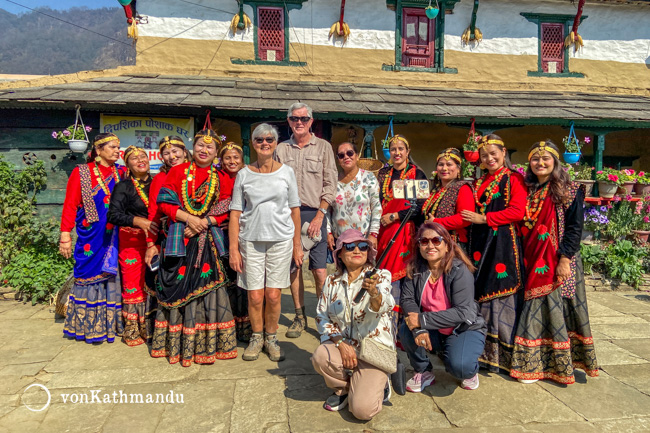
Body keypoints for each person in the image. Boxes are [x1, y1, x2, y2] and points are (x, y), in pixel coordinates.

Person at [510, 141, 599, 384]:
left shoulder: (568, 189)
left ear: (555, 161)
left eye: (546, 159)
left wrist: (565, 259)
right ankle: (540, 363)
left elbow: (574, 228)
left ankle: (536, 367)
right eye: (535, 159)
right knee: (543, 308)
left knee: (549, 309)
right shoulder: (528, 188)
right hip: (532, 257)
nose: (540, 163)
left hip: (557, 258)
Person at [151, 128, 236, 366]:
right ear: (193, 147)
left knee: (209, 288)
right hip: (181, 238)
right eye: (200, 145)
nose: (204, 150)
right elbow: (164, 204)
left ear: (216, 152)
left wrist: (204, 222)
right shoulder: (177, 172)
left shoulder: (221, 177)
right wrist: (189, 219)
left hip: (207, 241)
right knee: (178, 285)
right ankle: (180, 347)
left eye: (210, 147)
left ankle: (208, 346)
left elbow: (227, 210)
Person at [230, 124, 303, 362]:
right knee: (254, 295)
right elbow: (235, 213)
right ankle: (256, 336)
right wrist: (233, 249)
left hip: (280, 239)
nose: (264, 143)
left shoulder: (286, 172)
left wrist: (297, 245)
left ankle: (271, 338)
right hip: (250, 240)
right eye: (259, 139)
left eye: (269, 139)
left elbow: (294, 210)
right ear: (253, 143)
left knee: (273, 295)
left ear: (275, 142)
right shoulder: (244, 174)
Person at [312, 229, 395, 421]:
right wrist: (340, 343)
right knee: (321, 355)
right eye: (350, 246)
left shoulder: (380, 275)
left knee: (362, 411)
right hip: (345, 347)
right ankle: (344, 388)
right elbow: (321, 317)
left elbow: (384, 305)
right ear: (340, 252)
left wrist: (374, 292)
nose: (357, 250)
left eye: (363, 246)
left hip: (373, 350)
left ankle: (380, 383)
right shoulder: (331, 281)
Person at [461, 134, 526, 373]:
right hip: (480, 243)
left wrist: (484, 218)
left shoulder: (513, 179)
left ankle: (503, 356)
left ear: (504, 152)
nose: (489, 158)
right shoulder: (481, 182)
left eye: (493, 154)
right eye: (485, 155)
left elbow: (518, 211)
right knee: (481, 290)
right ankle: (482, 353)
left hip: (502, 244)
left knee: (498, 291)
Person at [399, 222, 487, 392]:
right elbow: (407, 300)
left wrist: (422, 320)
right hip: (435, 329)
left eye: (436, 240)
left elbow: (464, 312)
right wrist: (419, 328)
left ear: (447, 245)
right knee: (405, 329)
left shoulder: (459, 271)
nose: (430, 245)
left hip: (463, 328)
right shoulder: (416, 269)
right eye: (424, 241)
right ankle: (423, 371)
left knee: (460, 367)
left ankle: (469, 369)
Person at [276, 102, 337, 338]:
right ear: (289, 122)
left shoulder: (323, 147)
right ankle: (299, 317)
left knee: (320, 271)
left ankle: (323, 315)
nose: (299, 122)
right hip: (288, 215)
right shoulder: (281, 149)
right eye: (294, 119)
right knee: (295, 268)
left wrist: (320, 215)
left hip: (315, 213)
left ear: (311, 121)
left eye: (303, 118)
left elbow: (331, 185)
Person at [59, 133, 125, 343]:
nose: (117, 151)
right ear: (98, 150)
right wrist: (65, 236)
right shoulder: (82, 173)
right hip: (91, 236)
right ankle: (87, 327)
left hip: (115, 235)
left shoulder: (121, 172)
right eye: (113, 147)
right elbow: (70, 205)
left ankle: (111, 326)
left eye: (118, 147)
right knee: (88, 274)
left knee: (114, 275)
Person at [107, 146, 157, 346]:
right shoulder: (124, 186)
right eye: (134, 158)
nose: (140, 160)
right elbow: (113, 215)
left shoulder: (157, 183)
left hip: (155, 241)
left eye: (143, 156)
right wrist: (139, 221)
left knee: (153, 282)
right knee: (133, 283)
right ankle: (133, 329)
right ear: (127, 165)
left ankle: (151, 326)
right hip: (132, 241)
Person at [144, 136, 191, 340]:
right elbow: (153, 213)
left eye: (176, 151)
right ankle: (174, 333)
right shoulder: (160, 179)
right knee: (175, 282)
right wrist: (150, 243)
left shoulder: (198, 172)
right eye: (166, 153)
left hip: (200, 237)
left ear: (184, 150)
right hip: (171, 238)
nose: (172, 156)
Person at [376, 135, 427, 316]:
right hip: (384, 231)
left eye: (400, 149)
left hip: (404, 232)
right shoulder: (383, 174)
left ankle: (402, 322)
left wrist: (397, 215)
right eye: (393, 149)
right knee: (383, 275)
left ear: (408, 151)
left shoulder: (416, 173)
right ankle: (383, 317)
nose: (397, 153)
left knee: (404, 277)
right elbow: (376, 201)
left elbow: (420, 206)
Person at [218, 141, 252, 342]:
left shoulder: (249, 175)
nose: (232, 161)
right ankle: (229, 324)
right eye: (227, 158)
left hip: (246, 232)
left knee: (246, 279)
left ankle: (247, 325)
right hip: (223, 232)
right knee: (228, 279)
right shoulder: (218, 178)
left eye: (235, 157)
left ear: (242, 160)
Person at [326, 142, 381, 250]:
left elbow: (376, 208)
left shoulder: (368, 178)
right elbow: (327, 210)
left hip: (364, 240)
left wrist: (373, 234)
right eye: (341, 155)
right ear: (338, 160)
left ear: (357, 156)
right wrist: (328, 232)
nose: (346, 157)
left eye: (350, 153)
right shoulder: (333, 182)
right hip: (340, 241)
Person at [422, 148, 474, 251]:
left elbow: (465, 218)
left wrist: (437, 222)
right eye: (441, 165)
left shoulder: (463, 188)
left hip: (452, 243)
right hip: (433, 242)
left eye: (449, 165)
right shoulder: (436, 190)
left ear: (458, 168)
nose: (444, 168)